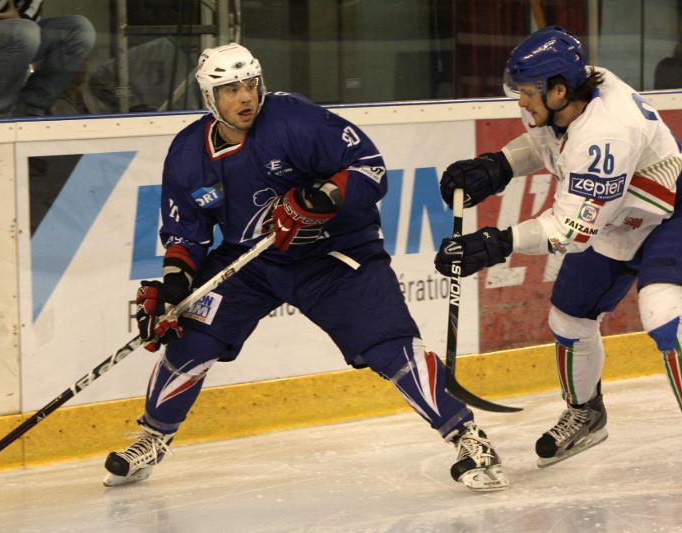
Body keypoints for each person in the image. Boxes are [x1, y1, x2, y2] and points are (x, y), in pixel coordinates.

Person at [103, 43, 509, 492]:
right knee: (192, 336)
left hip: (334, 254)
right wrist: (174, 289)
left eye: (251, 84)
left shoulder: (293, 120)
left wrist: (320, 200)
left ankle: (467, 436)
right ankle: (153, 437)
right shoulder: (186, 153)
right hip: (252, 261)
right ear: (209, 98)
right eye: (231, 90)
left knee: (387, 345)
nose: (245, 97)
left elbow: (370, 169)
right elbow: (186, 234)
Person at [434, 26, 682, 468]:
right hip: (616, 218)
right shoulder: (572, 95)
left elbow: (568, 231)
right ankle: (587, 414)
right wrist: (499, 165)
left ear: (559, 90)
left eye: (528, 93)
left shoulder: (607, 135)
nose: (521, 102)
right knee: (569, 318)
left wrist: (496, 243)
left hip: (668, 213)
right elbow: (548, 141)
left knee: (663, 311)